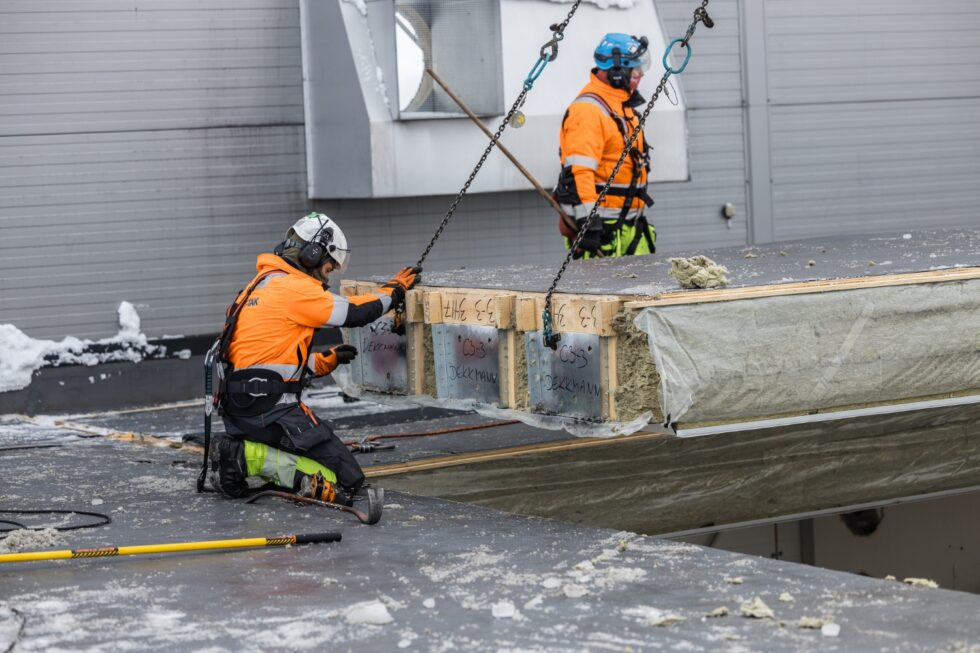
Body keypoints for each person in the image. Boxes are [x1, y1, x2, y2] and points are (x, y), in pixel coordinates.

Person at [207, 212, 420, 507]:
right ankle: (242, 456)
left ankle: (245, 456)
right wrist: (394, 291)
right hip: (270, 411)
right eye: (328, 266)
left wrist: (324, 362)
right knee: (345, 481)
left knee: (328, 468)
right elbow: (355, 312)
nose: (327, 275)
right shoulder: (293, 288)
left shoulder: (258, 285)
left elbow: (264, 359)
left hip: (244, 408)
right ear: (312, 254)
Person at [554, 33, 657, 259]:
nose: (640, 76)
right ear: (617, 72)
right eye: (636, 70)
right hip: (604, 232)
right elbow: (579, 171)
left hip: (629, 227)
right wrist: (588, 222)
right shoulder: (589, 111)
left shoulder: (620, 106)